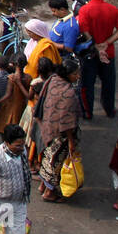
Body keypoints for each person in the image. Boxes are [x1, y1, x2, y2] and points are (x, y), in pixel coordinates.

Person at [77, 0, 118, 119]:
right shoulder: (112, 9)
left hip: (90, 53)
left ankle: (88, 113)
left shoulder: (84, 10)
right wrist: (107, 43)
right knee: (108, 83)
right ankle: (109, 110)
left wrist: (95, 44)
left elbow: (84, 30)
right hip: (108, 52)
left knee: (88, 84)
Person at [38, 56, 82, 202]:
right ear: (67, 75)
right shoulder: (68, 93)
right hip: (60, 134)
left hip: (48, 126)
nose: (78, 76)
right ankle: (49, 192)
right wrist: (71, 141)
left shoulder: (54, 80)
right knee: (56, 163)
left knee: (48, 157)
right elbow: (67, 122)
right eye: (75, 73)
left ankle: (43, 186)